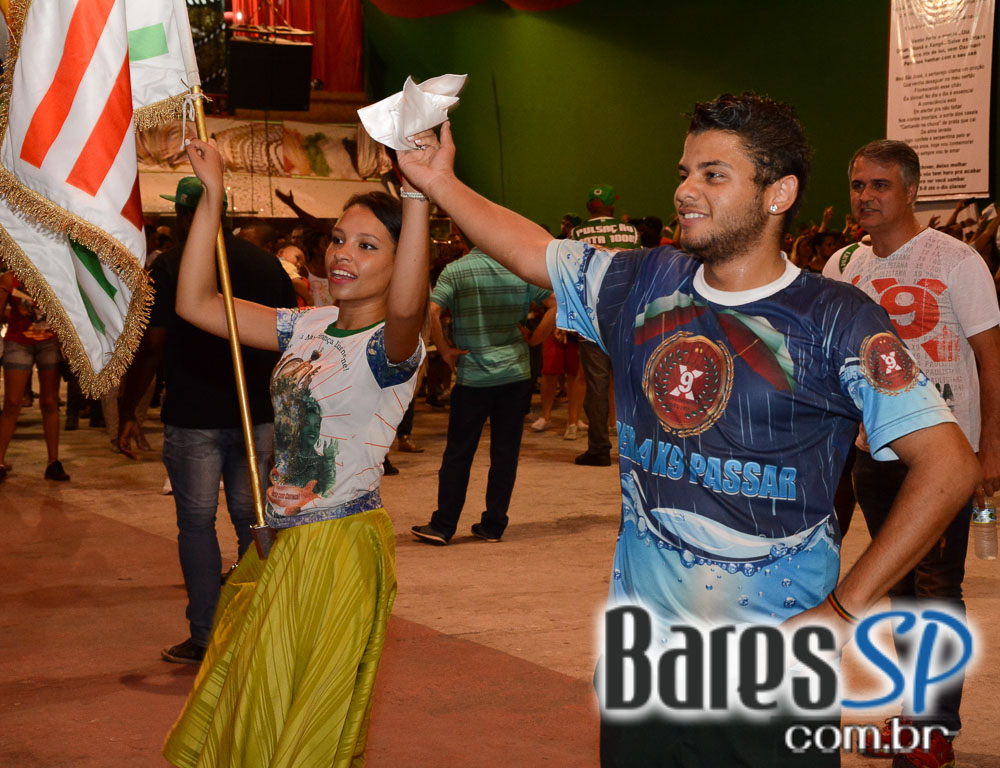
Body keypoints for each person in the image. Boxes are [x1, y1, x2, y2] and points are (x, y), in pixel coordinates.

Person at [397, 93, 980, 767]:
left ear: (779, 193)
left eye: (713, 174)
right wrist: (437, 181)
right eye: (684, 172)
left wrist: (844, 611)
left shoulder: (837, 318)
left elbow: (949, 466)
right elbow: (533, 250)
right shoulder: (641, 282)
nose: (685, 191)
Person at [162, 134, 429, 768]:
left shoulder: (392, 347)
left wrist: (418, 197)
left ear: (402, 262)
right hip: (279, 542)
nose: (343, 255)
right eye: (339, 239)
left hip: (338, 547)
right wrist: (213, 198)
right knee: (254, 693)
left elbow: (408, 307)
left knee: (302, 710)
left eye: (368, 246)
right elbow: (195, 304)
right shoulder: (305, 324)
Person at [824, 139, 1000, 768]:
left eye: (880, 185)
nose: (865, 197)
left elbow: (990, 359)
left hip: (946, 457)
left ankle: (936, 731)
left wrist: (990, 449)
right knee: (897, 583)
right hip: (872, 453)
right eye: (858, 185)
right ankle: (913, 715)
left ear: (911, 191)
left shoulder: (957, 260)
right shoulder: (843, 265)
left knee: (936, 586)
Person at [118, 176, 296, 665]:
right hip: (255, 413)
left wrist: (130, 409)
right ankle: (258, 627)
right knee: (251, 520)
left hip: (194, 415)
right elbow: (290, 336)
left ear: (183, 216)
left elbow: (153, 344)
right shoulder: (266, 264)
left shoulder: (171, 265)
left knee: (197, 525)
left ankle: (204, 636)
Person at [410, 247, 555, 545]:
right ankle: (493, 525)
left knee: (458, 453)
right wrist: (534, 339)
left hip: (473, 378)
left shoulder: (456, 270)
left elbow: (432, 311)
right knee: (505, 454)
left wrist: (445, 349)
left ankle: (443, 525)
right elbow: (557, 304)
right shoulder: (519, 268)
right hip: (516, 376)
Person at [569, 185, 640, 466]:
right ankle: (638, 450)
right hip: (627, 316)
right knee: (632, 383)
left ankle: (599, 449)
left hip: (591, 317)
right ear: (612, 206)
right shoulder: (630, 232)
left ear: (589, 207)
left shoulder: (576, 234)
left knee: (596, 385)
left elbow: (570, 273)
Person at [0, 272, 69, 482]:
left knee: (50, 402)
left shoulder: (55, 270)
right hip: (18, 342)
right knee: (12, 402)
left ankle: (53, 462)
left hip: (49, 341)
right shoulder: (10, 277)